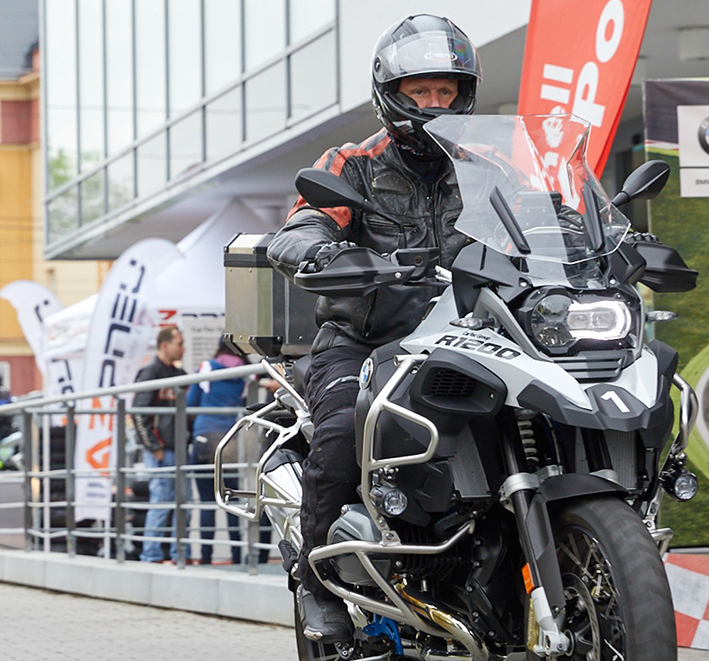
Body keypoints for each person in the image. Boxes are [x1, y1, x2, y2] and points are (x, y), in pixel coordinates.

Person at [264, 14, 481, 642]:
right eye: (421, 92)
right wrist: (326, 252)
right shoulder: (353, 163)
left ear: (464, 94)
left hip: (475, 333)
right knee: (344, 421)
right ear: (393, 93)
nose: (435, 104)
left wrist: (598, 243)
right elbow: (300, 227)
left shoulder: (490, 163)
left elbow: (550, 219)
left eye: (445, 91)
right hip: (367, 340)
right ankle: (314, 578)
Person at [186, 340, 249, 565]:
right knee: (230, 500)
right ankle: (236, 556)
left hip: (205, 437)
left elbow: (190, 402)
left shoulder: (207, 368)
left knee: (206, 501)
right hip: (229, 439)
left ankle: (205, 557)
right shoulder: (244, 373)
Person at [132, 326, 187, 563]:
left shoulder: (179, 374)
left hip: (177, 448)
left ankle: (177, 554)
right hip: (161, 450)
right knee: (162, 501)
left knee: (181, 503)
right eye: (179, 344)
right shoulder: (150, 372)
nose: (183, 349)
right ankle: (151, 554)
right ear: (165, 345)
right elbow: (139, 413)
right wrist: (154, 446)